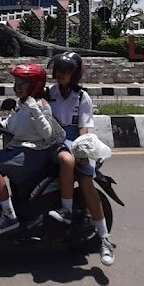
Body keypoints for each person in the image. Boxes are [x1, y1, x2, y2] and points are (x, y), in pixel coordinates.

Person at [45, 51, 116, 266]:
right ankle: (64, 207)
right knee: (65, 160)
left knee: (86, 180)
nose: (60, 74)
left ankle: (104, 239)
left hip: (79, 140)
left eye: (65, 71)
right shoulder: (50, 93)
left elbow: (84, 128)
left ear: (75, 74)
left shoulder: (82, 97)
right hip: (57, 140)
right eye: (58, 70)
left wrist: (83, 152)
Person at [0, 63, 66, 235]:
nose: (17, 86)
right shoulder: (21, 103)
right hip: (21, 148)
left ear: (34, 85)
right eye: (16, 82)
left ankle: (9, 216)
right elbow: (12, 125)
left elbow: (47, 133)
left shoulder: (41, 105)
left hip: (35, 152)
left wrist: (35, 110)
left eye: (22, 83)